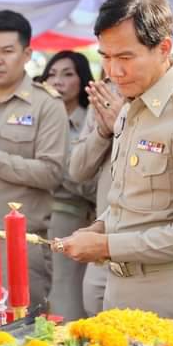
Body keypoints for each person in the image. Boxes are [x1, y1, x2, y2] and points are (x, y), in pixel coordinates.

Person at [56, 0, 173, 325]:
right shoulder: (130, 109)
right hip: (121, 288)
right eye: (105, 57)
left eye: (125, 57)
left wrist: (106, 245)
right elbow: (130, 200)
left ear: (163, 48)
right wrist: (98, 228)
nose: (114, 71)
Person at [0, 10, 69, 311]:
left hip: (15, 246)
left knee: (17, 333)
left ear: (27, 54)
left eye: (6, 51)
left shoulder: (47, 105)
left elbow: (51, 172)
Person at [35, 50, 96, 320]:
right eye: (51, 74)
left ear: (82, 80)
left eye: (67, 74)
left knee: (65, 298)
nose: (57, 81)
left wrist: (53, 168)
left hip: (69, 220)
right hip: (32, 218)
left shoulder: (91, 122)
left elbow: (93, 181)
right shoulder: (37, 117)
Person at [68, 77, 125, 316]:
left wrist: (125, 123)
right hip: (103, 237)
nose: (114, 66)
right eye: (107, 59)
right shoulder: (105, 93)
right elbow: (77, 170)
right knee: (95, 318)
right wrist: (102, 131)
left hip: (149, 248)